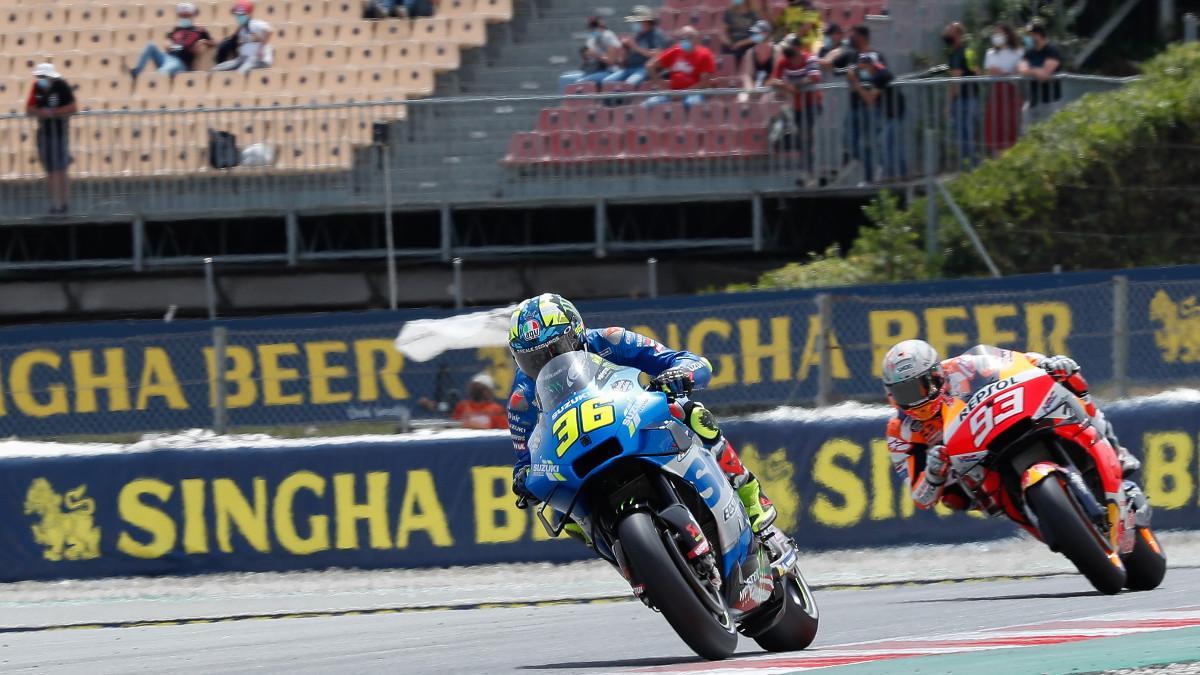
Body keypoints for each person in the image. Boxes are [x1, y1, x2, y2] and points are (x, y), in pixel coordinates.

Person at [507, 293, 794, 559]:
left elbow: (686, 361)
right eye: (530, 360)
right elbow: (526, 459)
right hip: (577, 458)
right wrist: (523, 478)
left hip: (628, 423)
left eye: (553, 352)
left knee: (689, 411)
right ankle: (629, 562)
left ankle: (752, 500)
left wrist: (681, 374)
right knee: (561, 514)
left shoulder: (611, 340)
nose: (544, 364)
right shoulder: (522, 399)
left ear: (576, 334)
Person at [880, 339, 1143, 514]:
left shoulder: (964, 368)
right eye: (904, 393)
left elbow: (1020, 362)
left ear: (936, 376)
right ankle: (1012, 504)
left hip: (1004, 421)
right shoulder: (899, 430)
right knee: (953, 499)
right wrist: (934, 473)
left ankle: (1115, 449)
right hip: (971, 466)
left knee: (1068, 380)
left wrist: (1047, 364)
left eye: (919, 387)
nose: (914, 400)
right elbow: (921, 498)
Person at [26, 64, 77, 215]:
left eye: (43, 77)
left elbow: (73, 107)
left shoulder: (62, 86)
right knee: (50, 171)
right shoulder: (36, 88)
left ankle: (63, 204)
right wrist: (41, 112)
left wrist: (54, 112)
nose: (40, 79)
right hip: (44, 134)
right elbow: (29, 109)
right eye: (39, 77)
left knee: (60, 170)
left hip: (59, 134)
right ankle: (55, 205)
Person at [768, 37, 821, 176]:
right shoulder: (783, 62)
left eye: (789, 46)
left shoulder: (810, 58)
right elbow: (773, 80)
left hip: (813, 103)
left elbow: (813, 78)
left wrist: (795, 86)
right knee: (803, 136)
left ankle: (812, 168)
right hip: (798, 106)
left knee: (808, 134)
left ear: (798, 48)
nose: (785, 49)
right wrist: (785, 85)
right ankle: (808, 169)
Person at [125, 3, 214, 80]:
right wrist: (168, 44)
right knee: (150, 45)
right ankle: (136, 71)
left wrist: (203, 41)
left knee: (164, 70)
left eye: (187, 15)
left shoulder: (200, 31)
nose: (184, 17)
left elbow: (214, 42)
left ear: (192, 15)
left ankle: (154, 79)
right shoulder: (175, 30)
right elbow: (167, 43)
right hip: (167, 58)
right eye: (182, 15)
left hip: (181, 63)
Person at [854, 51, 905, 180]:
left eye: (863, 66)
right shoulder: (878, 73)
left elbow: (870, 100)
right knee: (890, 145)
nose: (862, 70)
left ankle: (892, 176)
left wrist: (857, 85)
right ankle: (898, 175)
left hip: (894, 114)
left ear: (870, 65)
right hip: (890, 114)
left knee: (888, 145)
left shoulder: (880, 75)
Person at [644, 26, 715, 108]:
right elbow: (650, 66)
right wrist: (662, 85)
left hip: (694, 93)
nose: (684, 40)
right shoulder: (675, 49)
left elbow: (704, 83)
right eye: (681, 38)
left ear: (696, 39)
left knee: (691, 103)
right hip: (673, 92)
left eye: (688, 37)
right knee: (648, 104)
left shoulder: (705, 55)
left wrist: (682, 94)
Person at [983, 22, 1024, 155]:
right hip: (996, 92)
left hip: (1010, 92)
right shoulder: (990, 53)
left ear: (1007, 35)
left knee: (1009, 125)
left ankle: (1011, 155)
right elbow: (989, 71)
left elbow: (1020, 71)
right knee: (995, 125)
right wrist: (1000, 72)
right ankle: (997, 158)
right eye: (995, 33)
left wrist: (1004, 73)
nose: (996, 36)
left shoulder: (1017, 52)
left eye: (999, 33)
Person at [943, 22, 979, 168]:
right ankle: (972, 165)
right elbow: (977, 72)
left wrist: (948, 104)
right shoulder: (969, 51)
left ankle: (969, 167)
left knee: (962, 135)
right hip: (972, 97)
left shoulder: (957, 54)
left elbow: (955, 81)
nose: (945, 35)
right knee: (968, 133)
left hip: (962, 99)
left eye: (948, 32)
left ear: (957, 35)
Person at [607, 6, 668, 87]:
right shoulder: (637, 35)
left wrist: (635, 46)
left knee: (629, 84)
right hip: (629, 68)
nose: (634, 24)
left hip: (643, 69)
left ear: (646, 21)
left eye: (637, 21)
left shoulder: (656, 34)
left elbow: (658, 54)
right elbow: (623, 62)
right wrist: (625, 49)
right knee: (607, 82)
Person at [1018, 23, 1062, 124]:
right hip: (1033, 101)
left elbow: (1044, 74)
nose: (1027, 38)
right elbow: (1021, 69)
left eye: (1029, 35)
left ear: (1038, 35)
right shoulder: (1029, 52)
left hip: (1050, 100)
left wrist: (1031, 70)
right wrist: (1036, 71)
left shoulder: (1052, 50)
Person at [213, 1, 273, 73]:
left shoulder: (255, 24)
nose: (238, 17)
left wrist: (261, 48)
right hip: (243, 58)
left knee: (241, 71)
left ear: (249, 14)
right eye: (237, 15)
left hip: (258, 59)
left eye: (241, 15)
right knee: (218, 68)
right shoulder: (242, 29)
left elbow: (270, 31)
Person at [574, 16, 624, 87]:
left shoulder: (608, 36)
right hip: (595, 69)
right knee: (572, 79)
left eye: (595, 26)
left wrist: (596, 55)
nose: (592, 29)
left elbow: (611, 61)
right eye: (591, 27)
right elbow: (587, 57)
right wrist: (585, 55)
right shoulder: (591, 39)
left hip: (611, 71)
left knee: (581, 82)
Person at [740, 20, 779, 92]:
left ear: (767, 34)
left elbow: (776, 75)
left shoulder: (776, 51)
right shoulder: (750, 52)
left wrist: (764, 89)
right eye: (754, 33)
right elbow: (747, 75)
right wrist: (750, 90)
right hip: (755, 87)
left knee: (765, 99)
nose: (754, 35)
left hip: (772, 89)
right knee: (742, 99)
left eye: (757, 33)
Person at [720, 0, 760, 66]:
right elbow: (722, 33)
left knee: (743, 52)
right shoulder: (729, 13)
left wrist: (740, 43)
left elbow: (758, 37)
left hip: (746, 45)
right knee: (725, 51)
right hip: (731, 44)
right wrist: (728, 42)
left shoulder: (753, 15)